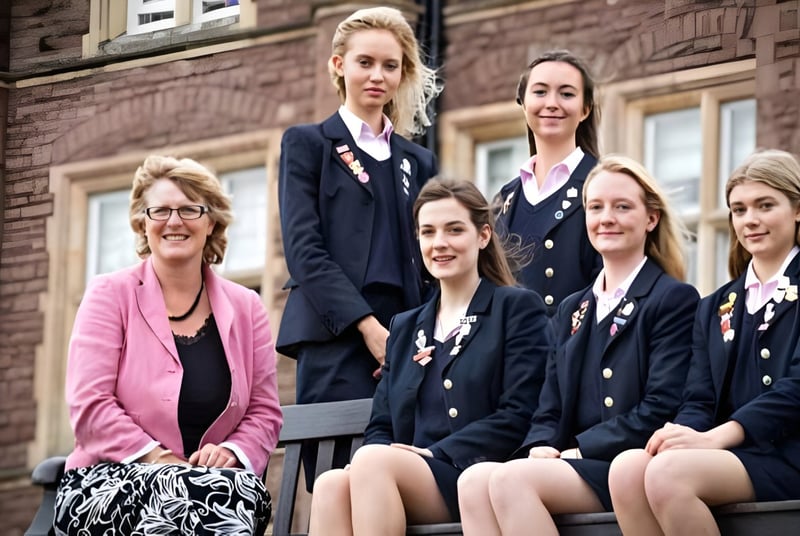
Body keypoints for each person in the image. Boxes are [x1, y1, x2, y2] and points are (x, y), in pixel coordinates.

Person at [457, 155, 700, 535]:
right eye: (596, 207)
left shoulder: (672, 298)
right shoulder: (574, 307)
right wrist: (539, 444)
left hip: (628, 464)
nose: (607, 218)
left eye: (622, 207)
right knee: (473, 483)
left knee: (510, 481)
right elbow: (549, 406)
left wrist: (581, 449)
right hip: (575, 462)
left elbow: (661, 406)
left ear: (650, 218)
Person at [307, 178, 551, 535]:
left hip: (480, 474)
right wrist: (370, 461)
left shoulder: (515, 308)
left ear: (483, 236)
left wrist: (435, 453)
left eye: (454, 230)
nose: (440, 243)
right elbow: (381, 425)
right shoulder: (406, 327)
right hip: (404, 475)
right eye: (428, 232)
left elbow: (520, 413)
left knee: (373, 463)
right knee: (331, 485)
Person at [53, 155, 282, 535]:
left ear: (211, 222)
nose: (174, 221)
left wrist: (231, 452)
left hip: (217, 488)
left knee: (219, 495)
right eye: (160, 210)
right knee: (190, 498)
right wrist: (160, 460)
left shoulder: (247, 308)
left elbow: (263, 412)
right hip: (108, 484)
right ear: (142, 223)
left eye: (190, 209)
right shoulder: (109, 295)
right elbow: (89, 404)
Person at [608, 149, 800, 536]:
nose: (751, 220)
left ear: (797, 210)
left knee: (668, 475)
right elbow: (699, 397)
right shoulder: (716, 305)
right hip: (737, 454)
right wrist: (685, 435)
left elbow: (796, 388)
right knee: (628, 469)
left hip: (789, 454)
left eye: (765, 205)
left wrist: (716, 437)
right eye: (739, 209)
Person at [494, 49, 603, 315]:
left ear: (585, 109)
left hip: (574, 349)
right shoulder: (503, 200)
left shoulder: (604, 185)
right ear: (523, 103)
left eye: (566, 94)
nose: (552, 103)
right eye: (540, 92)